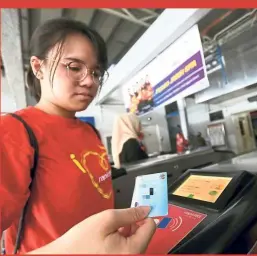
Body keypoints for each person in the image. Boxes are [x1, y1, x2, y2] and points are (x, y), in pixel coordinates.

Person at [0, 18, 154, 254]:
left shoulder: (89, 132)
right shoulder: (14, 132)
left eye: (96, 72)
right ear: (38, 67)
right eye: (74, 67)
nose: (90, 80)